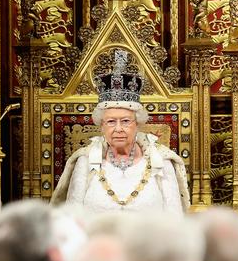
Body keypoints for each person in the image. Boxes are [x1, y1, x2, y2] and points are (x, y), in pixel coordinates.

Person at [51, 49, 189, 213]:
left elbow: (174, 220)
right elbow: (72, 219)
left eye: (125, 121)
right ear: (101, 126)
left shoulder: (161, 161)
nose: (118, 129)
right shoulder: (85, 161)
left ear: (137, 124)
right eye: (110, 122)